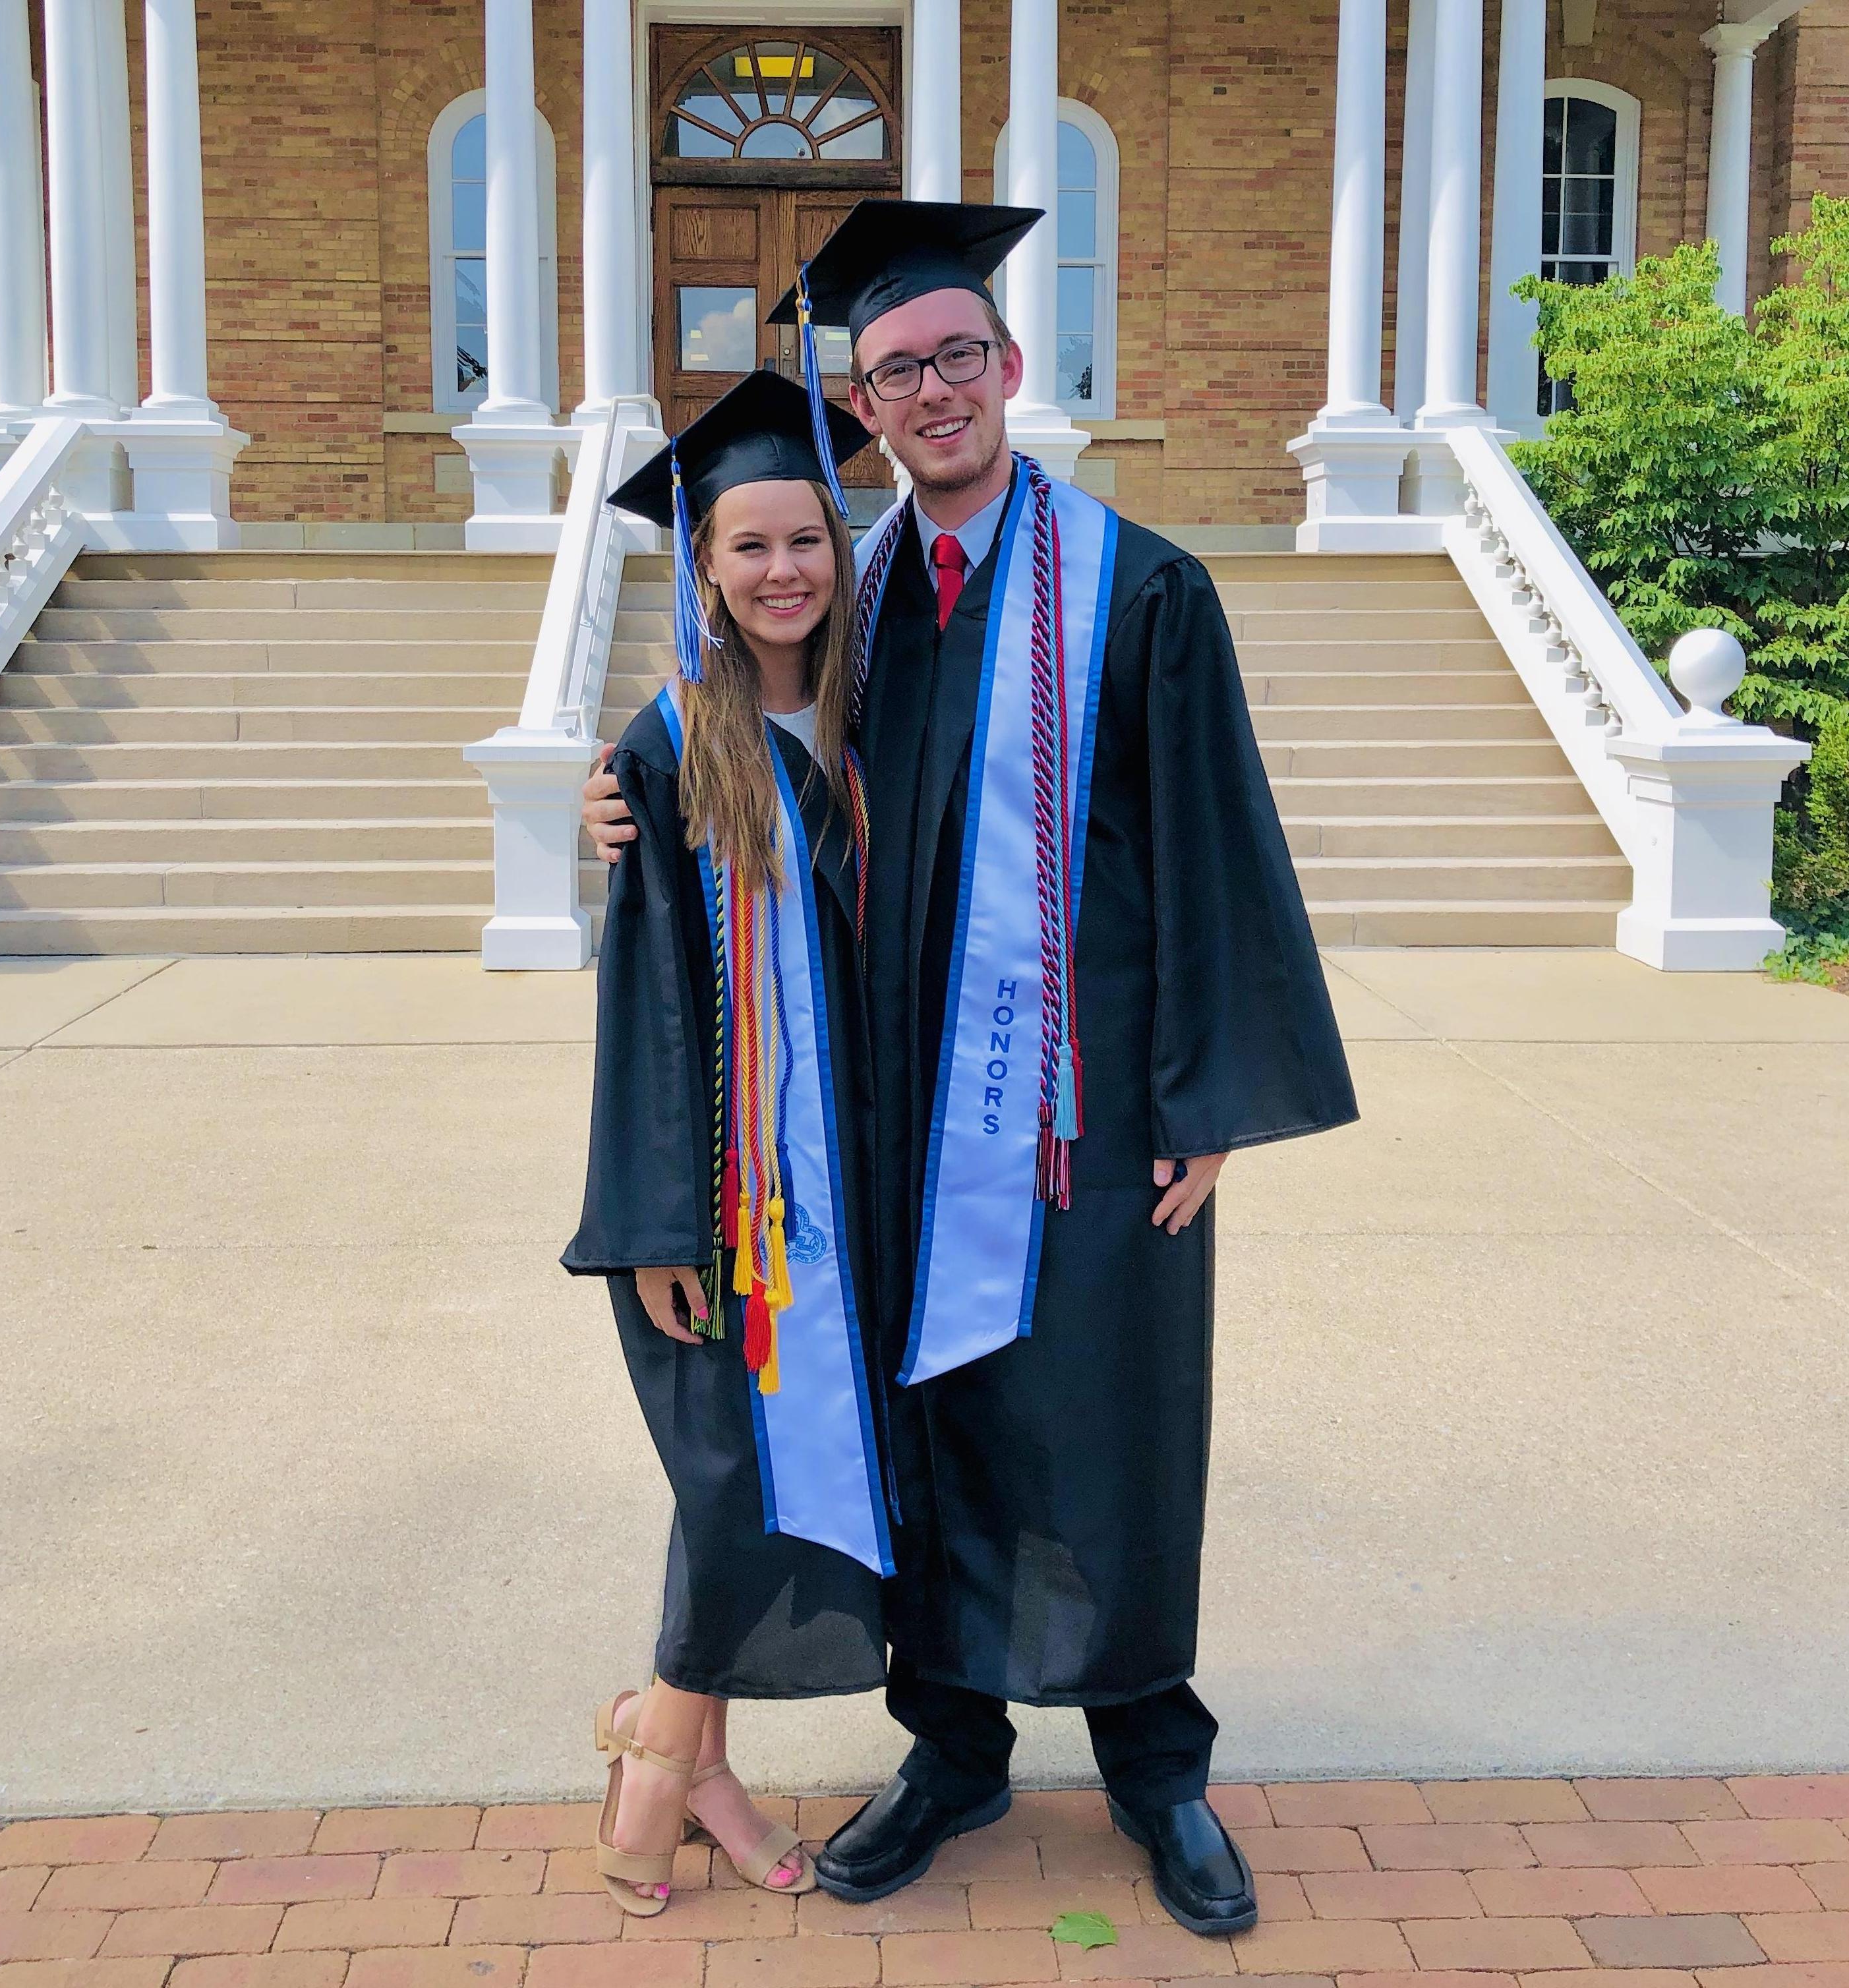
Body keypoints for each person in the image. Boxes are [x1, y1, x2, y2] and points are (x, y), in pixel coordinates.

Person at [583, 201, 1359, 1939]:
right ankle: (952, 1750)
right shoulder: (845, 606)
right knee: (927, 1436)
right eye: (892, 374)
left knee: (1109, 1435)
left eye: (955, 360)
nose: (930, 395)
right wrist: (619, 799)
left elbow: (1222, 847)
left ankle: (1157, 1769)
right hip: (878, 1136)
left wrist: (1210, 1099)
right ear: (860, 408)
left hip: (1087, 1126)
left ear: (1011, 370)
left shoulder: (1140, 588)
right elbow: (747, 787)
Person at [561, 370, 896, 1919]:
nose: (781, 571)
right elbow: (637, 1005)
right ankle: (665, 1765)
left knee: (764, 1477)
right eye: (748, 544)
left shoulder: (865, 715)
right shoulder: (666, 745)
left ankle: (672, 1743)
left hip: (860, 1187)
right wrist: (647, 1222)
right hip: (721, 1201)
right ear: (701, 564)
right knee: (724, 1476)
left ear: (841, 544)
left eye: (805, 541)